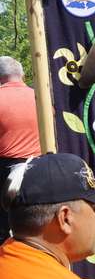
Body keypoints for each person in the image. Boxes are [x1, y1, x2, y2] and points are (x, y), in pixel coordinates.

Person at [0, 56, 40, 242]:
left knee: (3, 228)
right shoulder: (40, 97)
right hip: (39, 168)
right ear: (22, 75)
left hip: (6, 170)